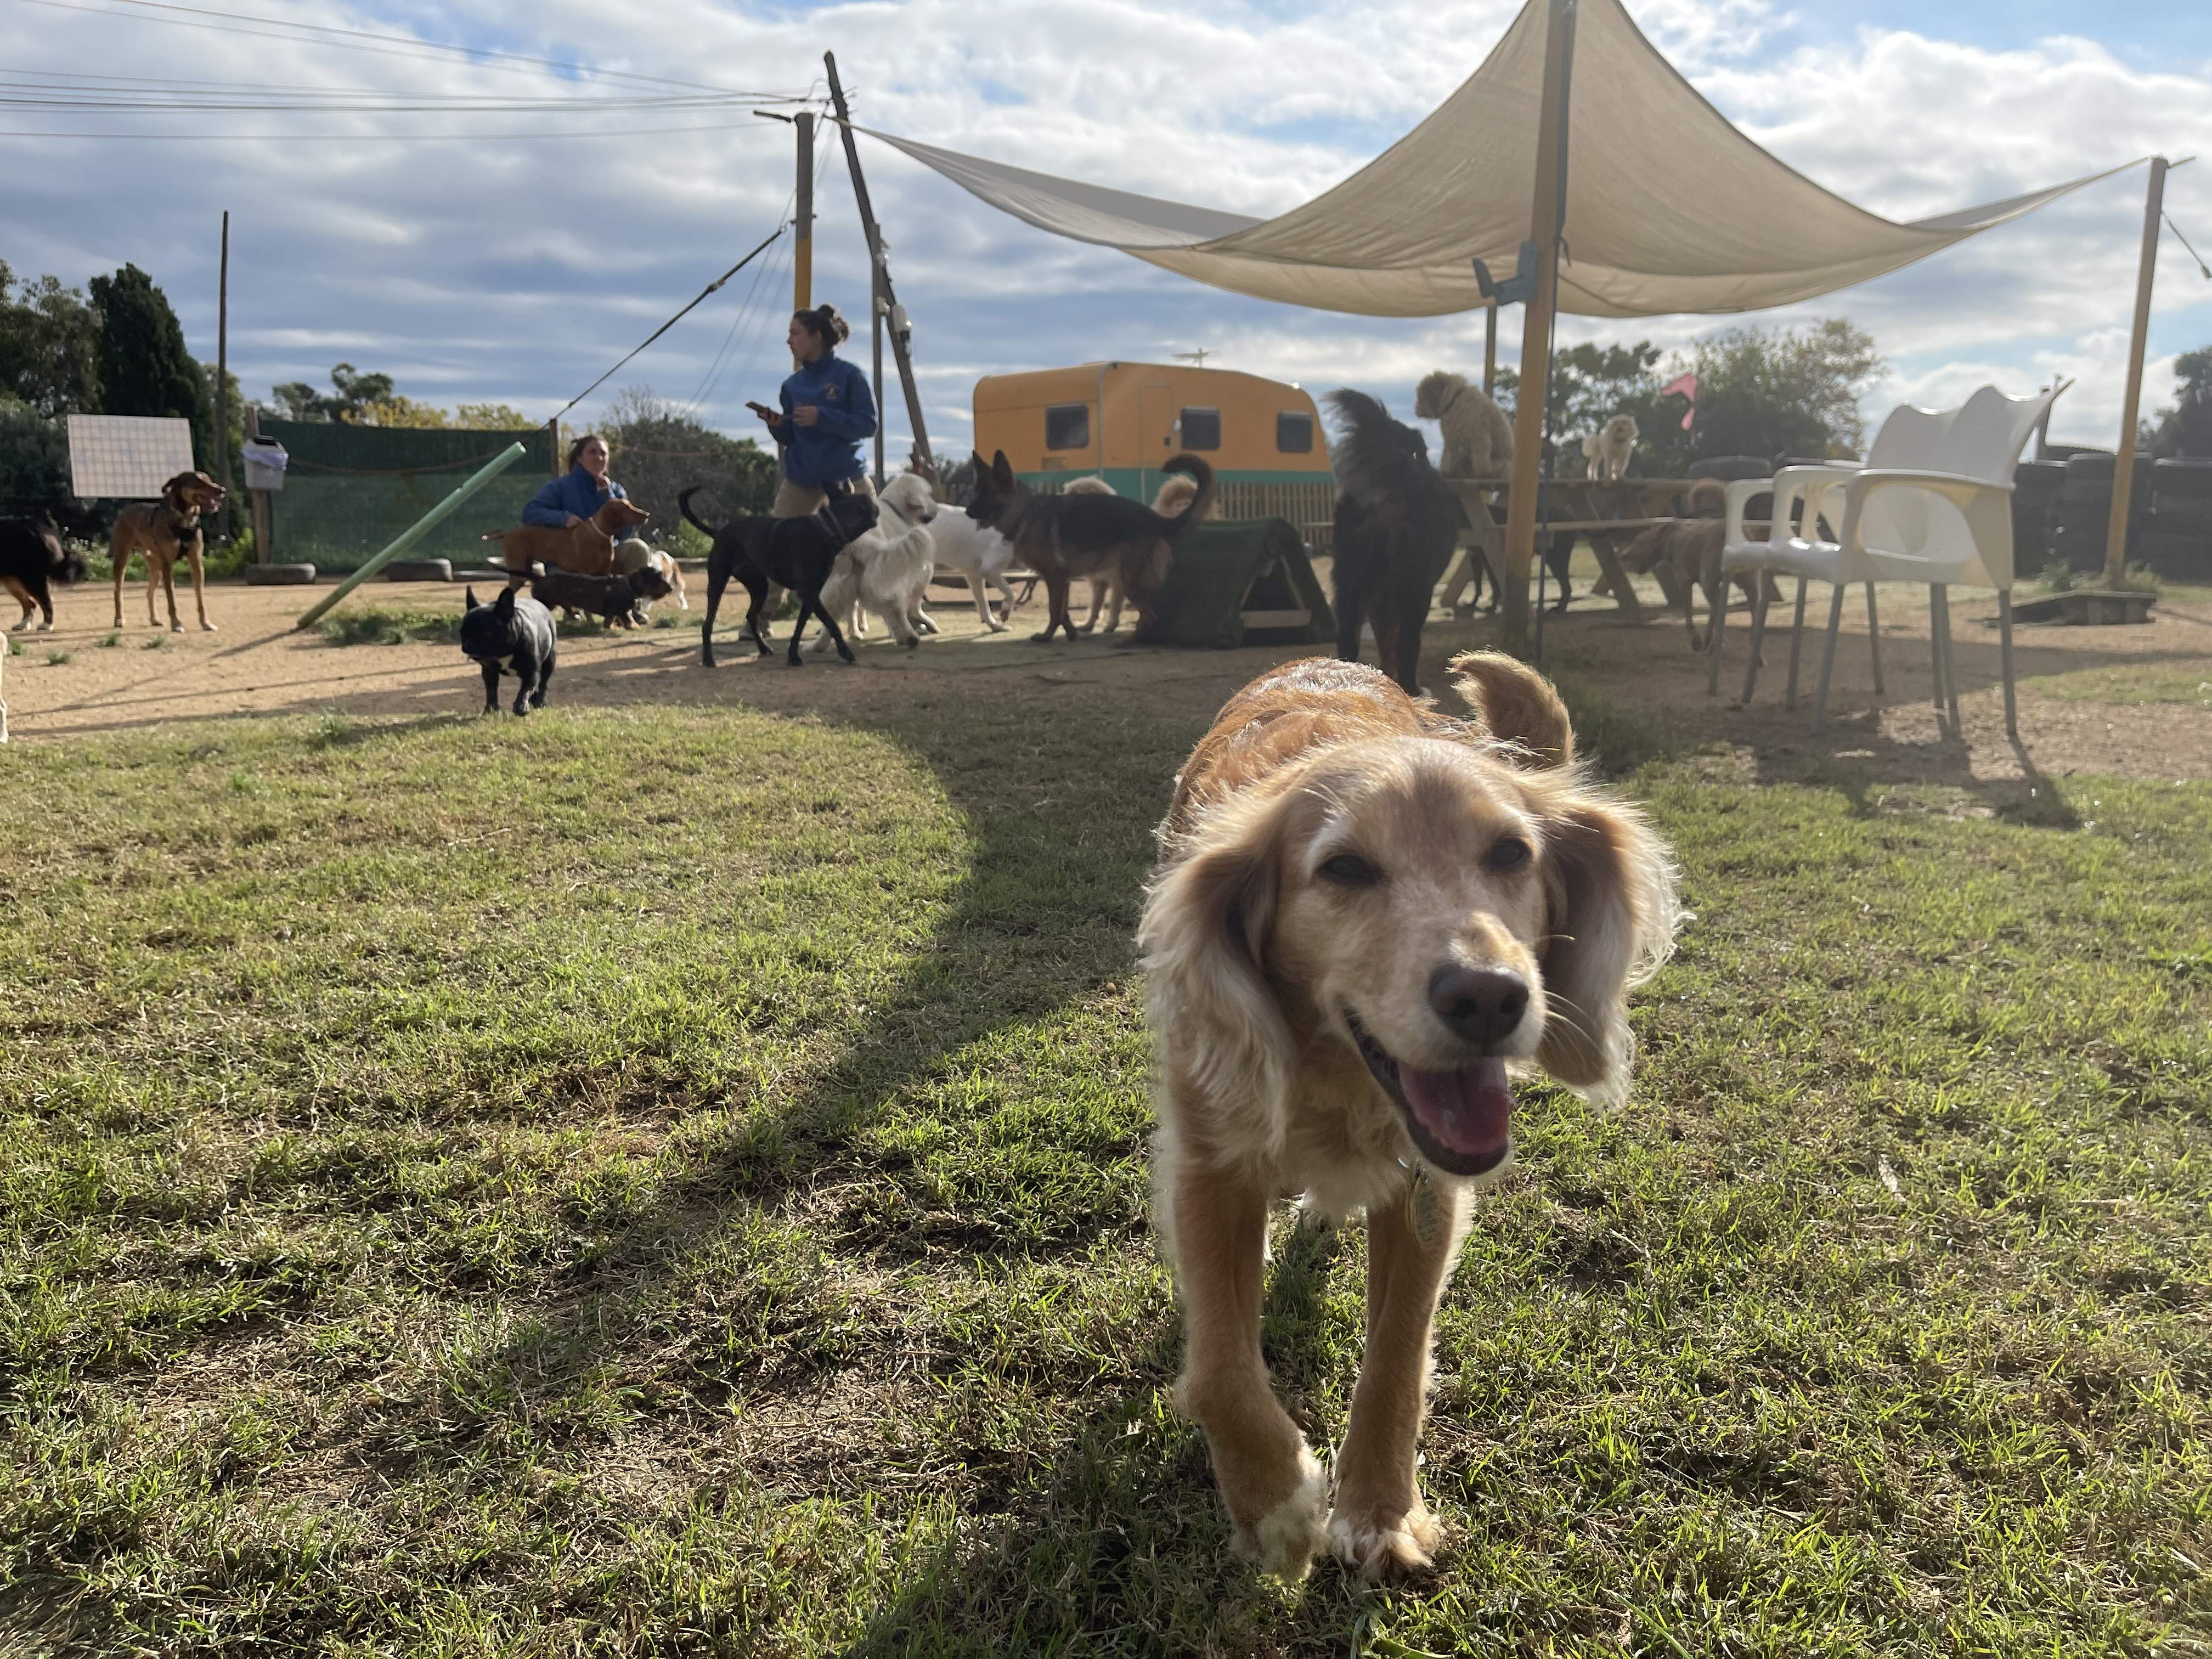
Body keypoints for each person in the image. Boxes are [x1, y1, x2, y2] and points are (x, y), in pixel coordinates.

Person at [751, 304, 877, 516]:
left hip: (848, 479)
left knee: (867, 546)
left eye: (794, 333)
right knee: (780, 542)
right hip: (801, 483)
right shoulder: (791, 386)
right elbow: (791, 438)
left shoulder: (851, 376)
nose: (788, 341)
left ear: (816, 337)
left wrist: (821, 417)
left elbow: (868, 425)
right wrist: (778, 426)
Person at [523, 432, 652, 573]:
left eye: (604, 453)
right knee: (562, 580)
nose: (599, 458)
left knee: (639, 549)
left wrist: (607, 496)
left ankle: (627, 594)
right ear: (579, 457)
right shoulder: (560, 487)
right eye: (592, 452)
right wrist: (563, 518)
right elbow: (530, 513)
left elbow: (625, 534)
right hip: (570, 558)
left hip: (608, 556)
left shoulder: (616, 490)